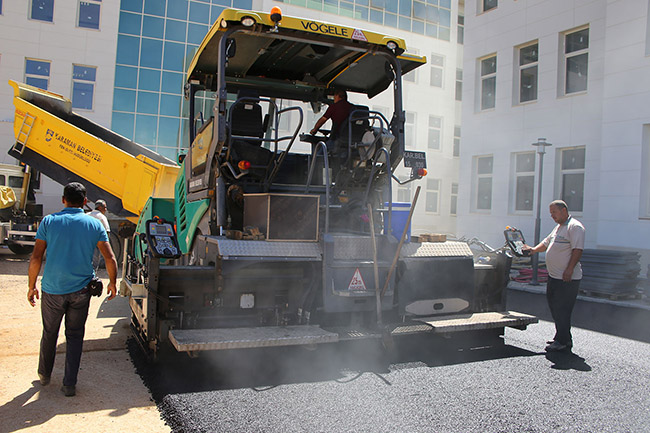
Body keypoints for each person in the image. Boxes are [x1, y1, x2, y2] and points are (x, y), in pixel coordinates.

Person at [27, 182, 118, 397]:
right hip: (81, 291)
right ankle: (69, 384)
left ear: (63, 199)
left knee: (49, 332)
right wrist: (113, 283)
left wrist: (31, 286)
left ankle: (44, 374)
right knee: (75, 336)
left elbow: (36, 257)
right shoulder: (94, 224)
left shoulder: (49, 221)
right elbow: (110, 257)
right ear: (85, 201)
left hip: (52, 290)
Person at [522, 200, 585, 352]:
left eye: (554, 213)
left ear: (564, 210)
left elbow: (577, 250)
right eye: (551, 214)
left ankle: (563, 341)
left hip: (567, 278)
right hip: (554, 277)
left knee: (563, 309)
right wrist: (533, 250)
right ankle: (561, 337)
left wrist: (569, 269)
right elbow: (546, 243)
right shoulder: (558, 227)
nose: (552, 216)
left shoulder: (574, 227)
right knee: (555, 308)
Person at [89, 199, 110, 269]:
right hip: (96, 243)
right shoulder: (101, 217)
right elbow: (107, 231)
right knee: (94, 263)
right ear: (100, 207)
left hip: (84, 242)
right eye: (105, 207)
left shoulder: (87, 215)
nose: (106, 209)